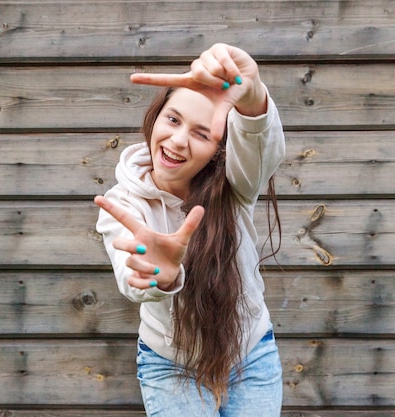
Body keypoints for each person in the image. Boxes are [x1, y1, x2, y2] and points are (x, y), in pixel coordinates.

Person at [95, 43, 286, 417]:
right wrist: (156, 278)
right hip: (170, 366)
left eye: (201, 133)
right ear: (156, 117)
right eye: (173, 120)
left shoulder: (235, 185)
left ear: (218, 148)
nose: (179, 140)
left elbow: (263, 148)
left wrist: (253, 93)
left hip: (251, 354)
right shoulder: (124, 204)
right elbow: (129, 277)